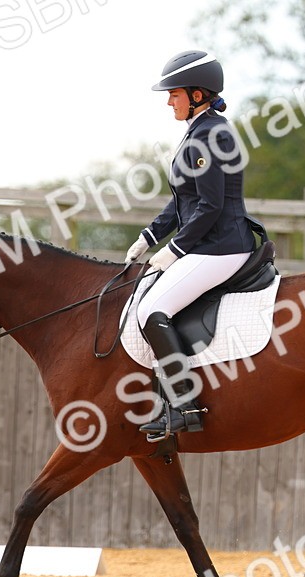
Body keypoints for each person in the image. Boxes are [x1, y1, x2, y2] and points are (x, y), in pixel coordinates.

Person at [127, 50, 257, 440]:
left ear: (197, 94)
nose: (169, 101)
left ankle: (185, 406)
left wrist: (175, 250)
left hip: (223, 246)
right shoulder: (198, 130)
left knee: (152, 309)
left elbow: (211, 205)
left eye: (174, 94)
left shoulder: (213, 134)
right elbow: (183, 199)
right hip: (208, 243)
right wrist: (149, 237)